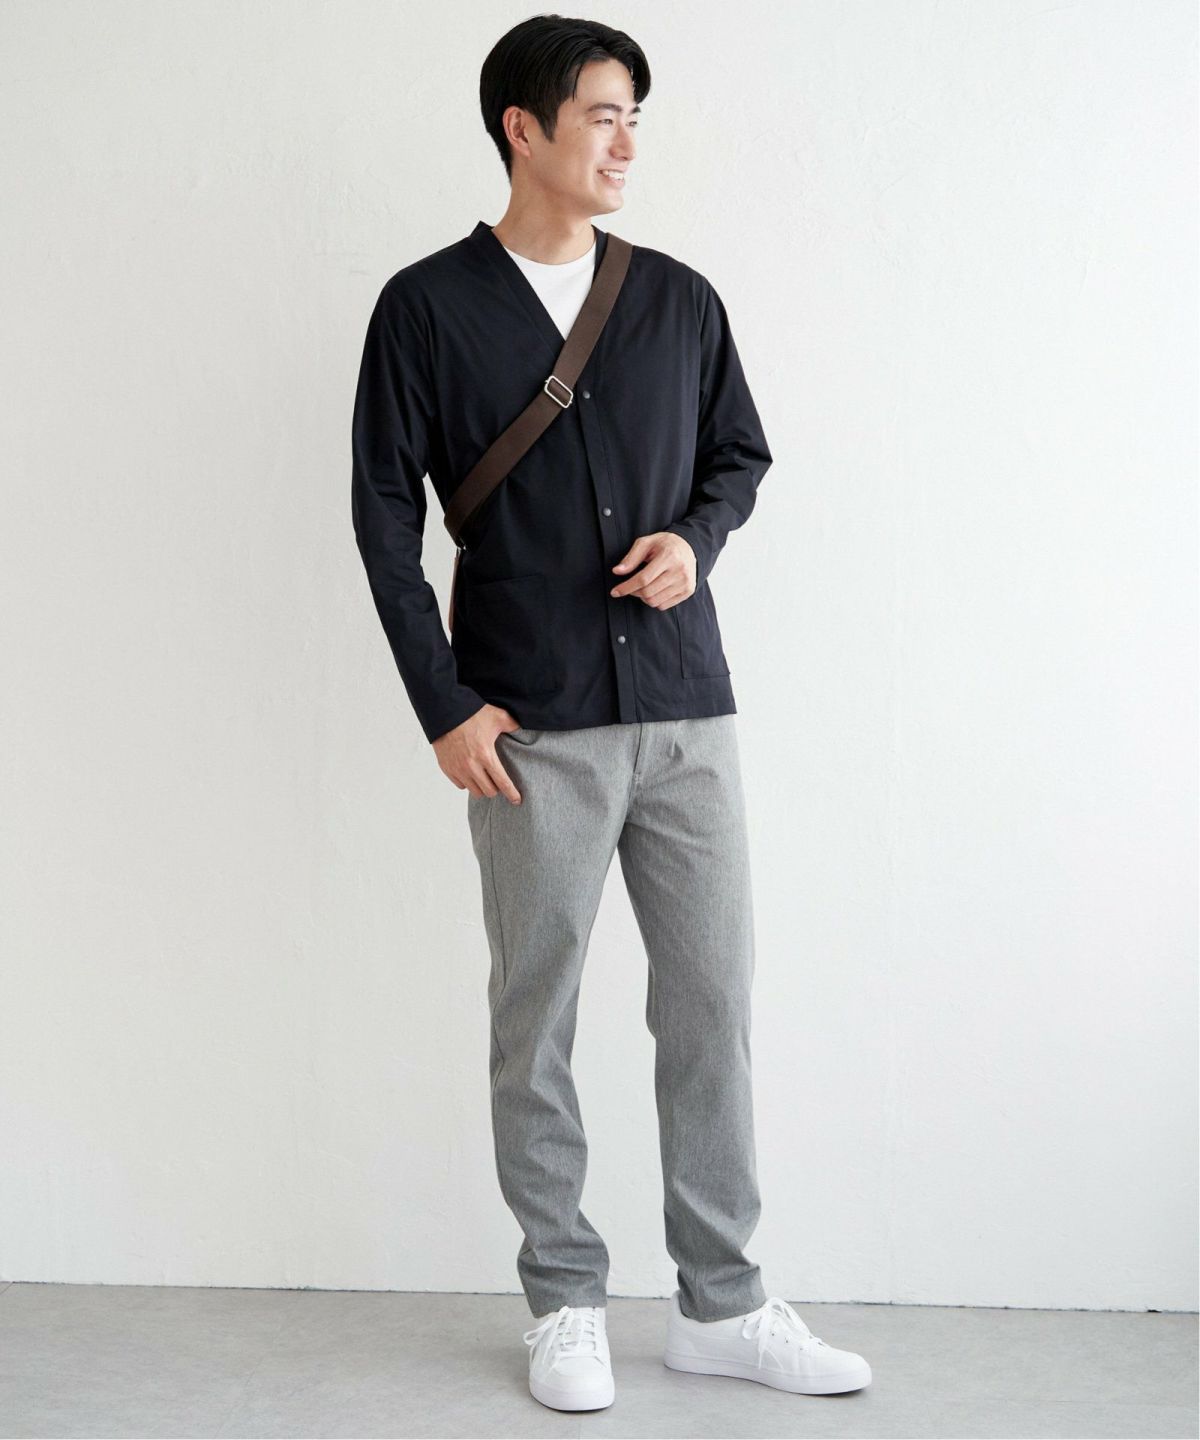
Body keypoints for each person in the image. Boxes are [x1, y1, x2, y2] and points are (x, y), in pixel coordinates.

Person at [350, 12, 872, 1414]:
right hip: (527, 723)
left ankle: (724, 1303)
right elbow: (384, 520)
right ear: (522, 129)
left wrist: (697, 542)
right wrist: (444, 706)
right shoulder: (425, 308)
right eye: (602, 114)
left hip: (689, 711)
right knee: (539, 1015)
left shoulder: (679, 300)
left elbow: (739, 456)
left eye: (636, 115)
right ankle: (565, 1301)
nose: (628, 141)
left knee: (713, 1003)